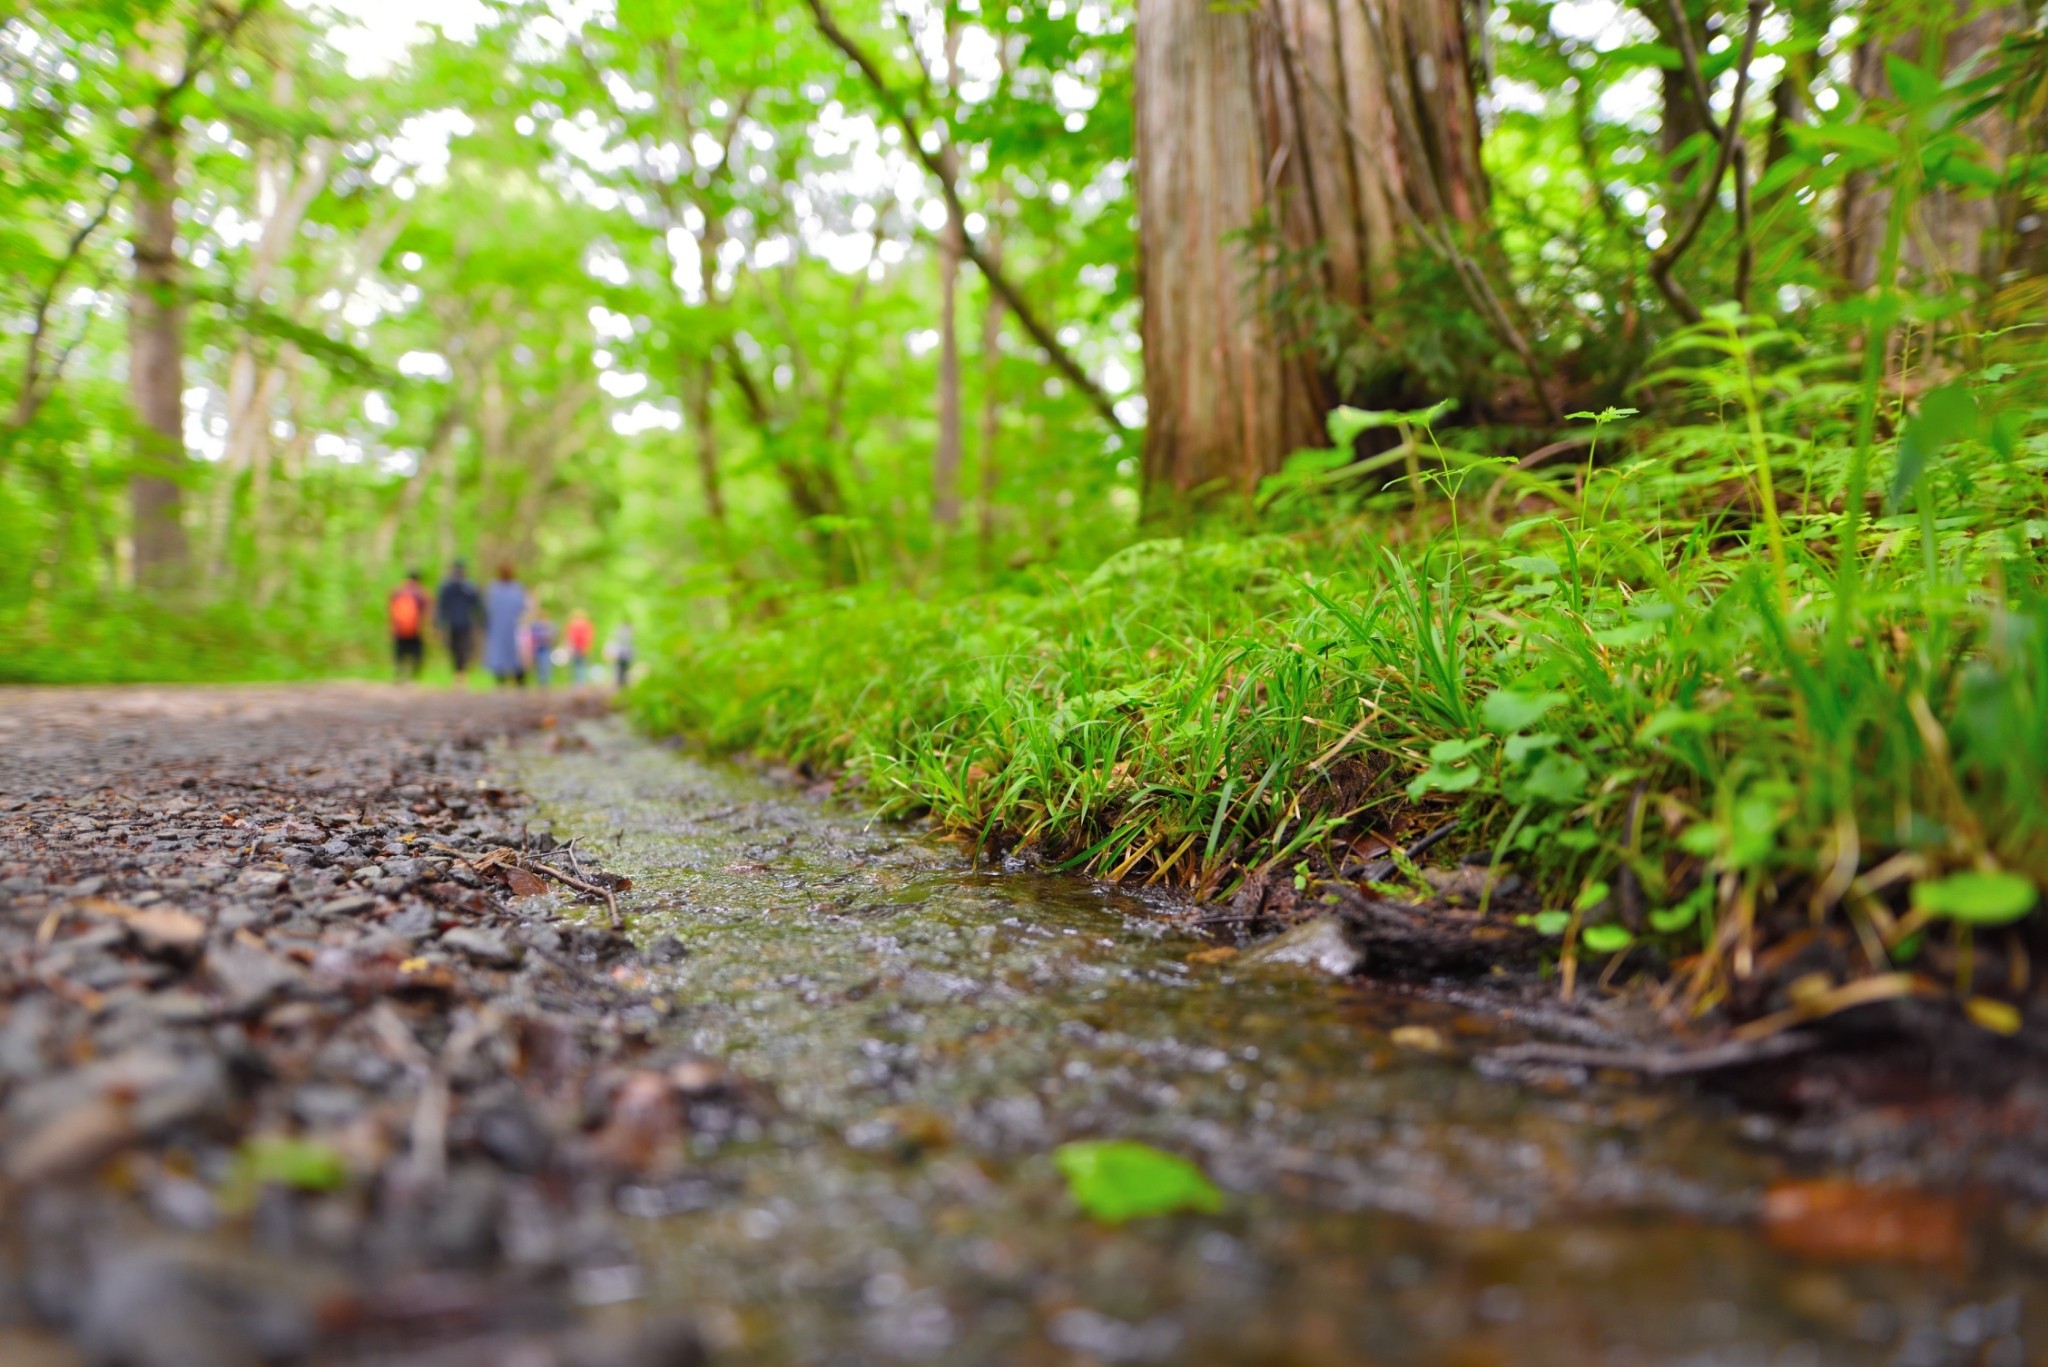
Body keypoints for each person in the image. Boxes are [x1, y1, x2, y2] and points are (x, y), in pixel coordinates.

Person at [435, 560, 484, 681]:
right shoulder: (450, 586)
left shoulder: (467, 586)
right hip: (454, 622)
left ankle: (461, 671)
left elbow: (476, 603)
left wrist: (481, 619)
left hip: (463, 622)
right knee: (454, 647)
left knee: (463, 647)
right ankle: (459, 671)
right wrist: (439, 622)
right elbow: (442, 605)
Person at [483, 562, 529, 687]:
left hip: (511, 627)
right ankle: (503, 679)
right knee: (503, 653)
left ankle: (517, 679)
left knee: (514, 653)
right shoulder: (496, 588)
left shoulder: (514, 588)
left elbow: (523, 607)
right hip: (502, 627)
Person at [388, 570, 429, 682]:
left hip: (399, 628)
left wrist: (391, 626)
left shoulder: (397, 591)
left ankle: (399, 673)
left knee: (399, 651)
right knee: (416, 652)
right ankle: (414, 676)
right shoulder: (420, 593)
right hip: (415, 629)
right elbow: (426, 611)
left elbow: (391, 610)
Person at [527, 606, 556, 689]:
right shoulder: (536, 625)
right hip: (538, 648)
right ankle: (541, 681)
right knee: (539, 665)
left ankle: (546, 682)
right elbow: (532, 636)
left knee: (546, 664)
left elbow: (552, 635)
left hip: (546, 647)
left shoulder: (549, 625)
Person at [565, 609, 595, 686]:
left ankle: (578, 682)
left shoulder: (575, 624)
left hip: (579, 647)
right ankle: (579, 682)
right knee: (580, 665)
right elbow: (589, 636)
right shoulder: (584, 624)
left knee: (578, 665)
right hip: (579, 647)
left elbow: (569, 636)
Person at [605, 619, 635, 689]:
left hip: (622, 653)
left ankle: (621, 682)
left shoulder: (619, 630)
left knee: (621, 667)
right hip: (625, 653)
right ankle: (622, 682)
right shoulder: (628, 631)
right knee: (624, 668)